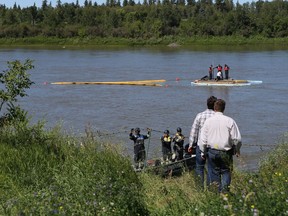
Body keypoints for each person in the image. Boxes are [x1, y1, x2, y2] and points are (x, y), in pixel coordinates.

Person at [199, 99, 242, 193]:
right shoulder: (230, 121)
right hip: (226, 151)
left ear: (214, 109)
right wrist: (237, 149)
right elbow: (237, 139)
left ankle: (216, 195)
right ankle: (225, 194)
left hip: (212, 151)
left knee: (214, 174)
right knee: (226, 172)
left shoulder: (208, 121)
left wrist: (203, 152)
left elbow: (202, 140)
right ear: (224, 109)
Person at [188, 95, 217, 189]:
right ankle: (210, 188)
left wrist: (191, 145)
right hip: (213, 146)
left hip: (200, 146)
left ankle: (199, 188)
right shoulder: (217, 117)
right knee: (211, 168)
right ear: (215, 106)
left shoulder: (199, 115)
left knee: (199, 167)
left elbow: (194, 131)